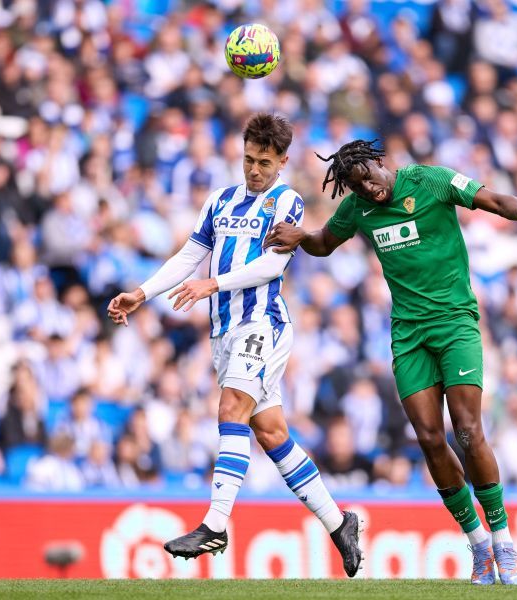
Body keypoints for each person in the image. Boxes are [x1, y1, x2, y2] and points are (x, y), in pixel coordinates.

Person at [264, 139, 517, 585]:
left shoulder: (431, 180)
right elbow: (324, 243)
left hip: (455, 323)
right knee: (430, 438)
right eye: (357, 187)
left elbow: (492, 198)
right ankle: (477, 545)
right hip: (408, 335)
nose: (368, 190)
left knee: (468, 430)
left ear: (382, 163)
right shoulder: (358, 209)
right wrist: (300, 238)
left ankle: (504, 543)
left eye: (369, 178)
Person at [106, 113, 362, 576]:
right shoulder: (218, 201)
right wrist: (142, 293)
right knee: (271, 433)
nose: (254, 170)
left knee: (230, 410)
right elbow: (189, 255)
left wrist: (213, 284)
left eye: (264, 162)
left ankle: (215, 523)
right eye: (248, 159)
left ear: (282, 161)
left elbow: (271, 266)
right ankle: (339, 521)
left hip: (262, 323)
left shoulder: (287, 202)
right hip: (225, 333)